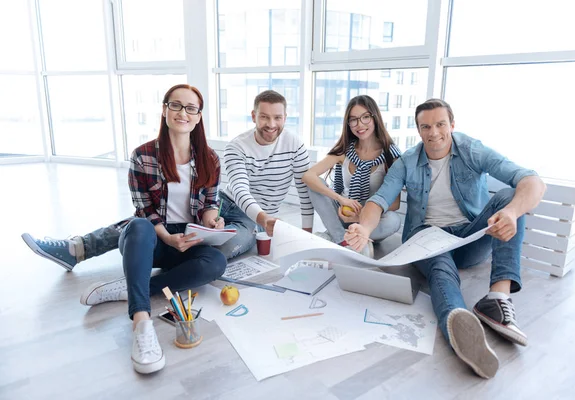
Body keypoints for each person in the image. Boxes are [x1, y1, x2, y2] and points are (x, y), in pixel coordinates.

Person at [344, 99, 546, 379]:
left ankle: (497, 297)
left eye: (440, 124)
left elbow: (531, 180)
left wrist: (511, 213)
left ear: (452, 124)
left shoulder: (472, 149)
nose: (434, 132)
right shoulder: (407, 161)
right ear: (418, 130)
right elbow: (379, 201)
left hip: (470, 238)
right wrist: (364, 229)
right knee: (441, 268)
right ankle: (459, 324)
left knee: (510, 197)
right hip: (427, 237)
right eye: (426, 126)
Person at [22, 90, 313, 271]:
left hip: (250, 222)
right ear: (254, 116)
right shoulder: (238, 146)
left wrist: (307, 234)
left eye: (277, 118)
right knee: (150, 220)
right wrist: (259, 217)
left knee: (221, 250)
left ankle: (147, 273)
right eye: (264, 117)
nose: (270, 124)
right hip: (231, 205)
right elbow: (238, 187)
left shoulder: (295, 144)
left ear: (286, 118)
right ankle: (78, 248)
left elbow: (305, 188)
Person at [68, 84, 227, 374]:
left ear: (199, 117)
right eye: (176, 105)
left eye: (191, 108)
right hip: (151, 239)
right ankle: (142, 323)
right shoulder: (143, 156)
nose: (183, 113)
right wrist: (167, 236)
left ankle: (130, 289)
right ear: (165, 110)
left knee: (216, 262)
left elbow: (211, 203)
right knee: (138, 226)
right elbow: (144, 210)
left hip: (188, 238)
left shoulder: (210, 159)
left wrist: (212, 221)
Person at [302, 95, 403, 258]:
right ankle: (341, 239)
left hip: (372, 222)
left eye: (365, 117)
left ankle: (350, 238)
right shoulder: (344, 150)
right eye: (353, 119)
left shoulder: (391, 155)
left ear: (375, 118)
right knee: (314, 186)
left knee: (394, 220)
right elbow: (309, 176)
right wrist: (341, 200)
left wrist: (362, 214)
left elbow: (395, 203)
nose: (359, 125)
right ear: (348, 124)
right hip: (344, 215)